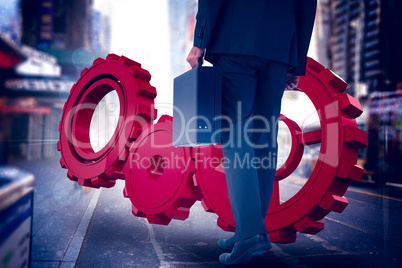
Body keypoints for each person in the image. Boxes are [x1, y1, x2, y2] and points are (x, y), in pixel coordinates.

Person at [187, 0, 317, 265]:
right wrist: (296, 64)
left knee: (235, 136)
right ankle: (252, 230)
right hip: (279, 50)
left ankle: (249, 236)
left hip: (235, 42)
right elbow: (306, 7)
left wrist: (200, 40)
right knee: (263, 138)